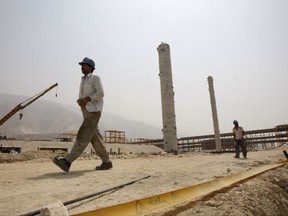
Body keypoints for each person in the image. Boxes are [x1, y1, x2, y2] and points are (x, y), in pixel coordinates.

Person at [53, 57, 112, 172]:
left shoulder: (95, 78)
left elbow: (101, 93)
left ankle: (67, 161)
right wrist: (80, 101)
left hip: (94, 111)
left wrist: (89, 98)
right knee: (95, 139)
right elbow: (83, 97)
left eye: (84, 65)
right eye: (81, 65)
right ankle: (107, 162)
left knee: (83, 135)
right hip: (86, 111)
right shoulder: (83, 80)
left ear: (90, 67)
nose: (82, 67)